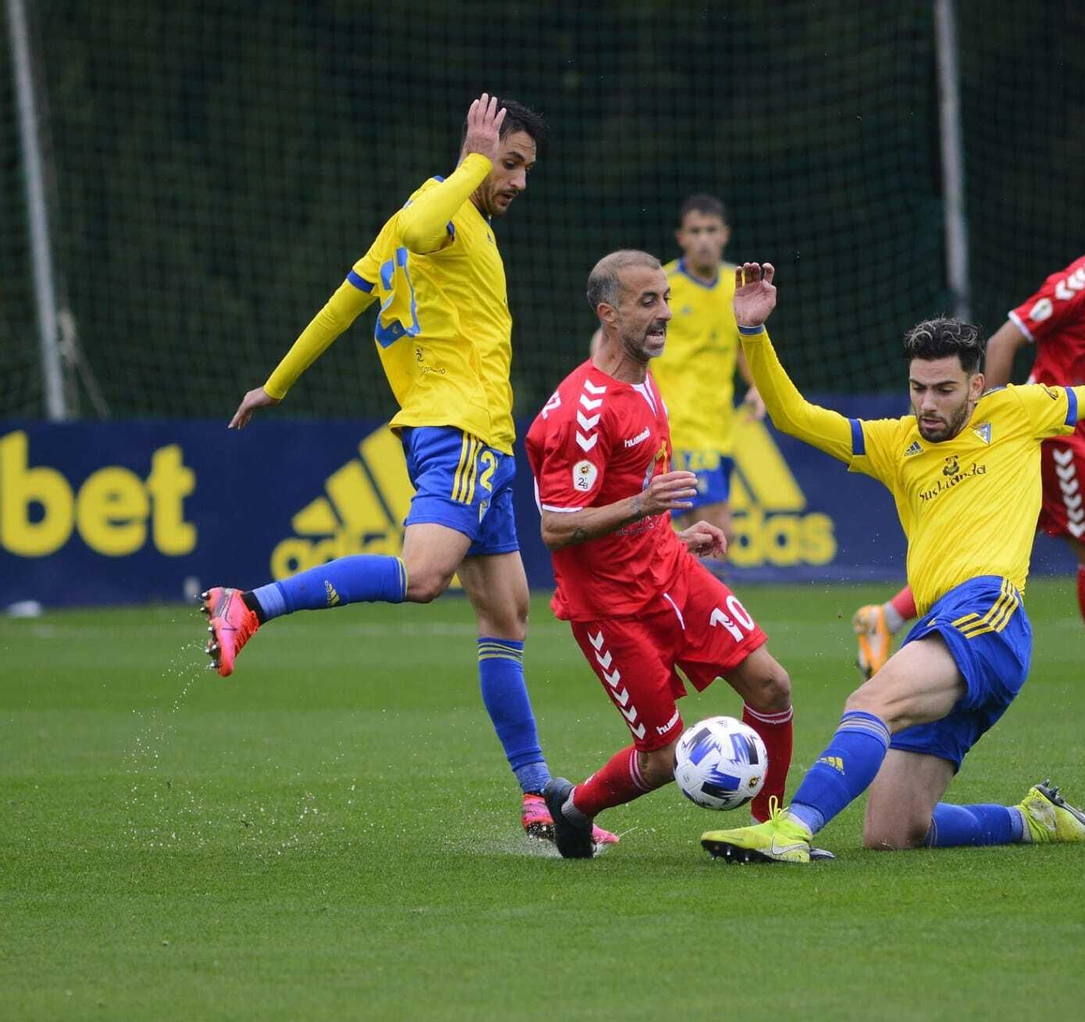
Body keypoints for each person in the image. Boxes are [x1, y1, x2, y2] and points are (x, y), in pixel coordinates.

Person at [700, 261, 1085, 863]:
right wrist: (753, 333)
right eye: (917, 388)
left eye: (944, 389)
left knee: (869, 702)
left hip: (988, 614)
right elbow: (792, 416)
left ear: (977, 386)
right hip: (940, 629)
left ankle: (792, 829)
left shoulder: (1018, 411)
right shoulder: (893, 443)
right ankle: (1033, 821)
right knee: (893, 830)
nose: (927, 404)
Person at [202, 95, 614, 847]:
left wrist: (277, 383)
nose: (517, 181)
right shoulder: (441, 210)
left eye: (524, 168)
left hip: (487, 441)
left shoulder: (439, 219)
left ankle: (537, 799)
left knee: (508, 616)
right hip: (458, 428)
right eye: (510, 163)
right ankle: (250, 603)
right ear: (478, 153)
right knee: (423, 575)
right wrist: (472, 165)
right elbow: (423, 228)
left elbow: (344, 302)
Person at [852, 186, 1085, 714]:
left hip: (1076, 426)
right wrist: (991, 426)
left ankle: (885, 617)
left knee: (1004, 538)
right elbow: (1004, 341)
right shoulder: (1077, 285)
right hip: (1049, 435)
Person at [526, 250, 798, 860]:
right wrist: (645, 505)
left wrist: (673, 535)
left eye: (667, 298)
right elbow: (557, 527)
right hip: (611, 608)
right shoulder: (580, 413)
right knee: (664, 758)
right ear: (608, 313)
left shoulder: (646, 379)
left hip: (671, 572)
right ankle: (574, 809)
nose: (666, 313)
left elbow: (634, 497)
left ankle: (770, 829)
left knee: (771, 686)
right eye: (648, 302)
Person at [587, 194, 765, 547]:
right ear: (681, 237)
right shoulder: (661, 285)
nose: (704, 239)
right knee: (717, 532)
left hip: (719, 428)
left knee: (680, 537)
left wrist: (758, 386)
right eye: (695, 231)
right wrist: (603, 389)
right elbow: (606, 335)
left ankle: (663, 583)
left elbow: (742, 344)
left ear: (725, 234)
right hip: (676, 427)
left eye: (711, 230)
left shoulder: (737, 285)